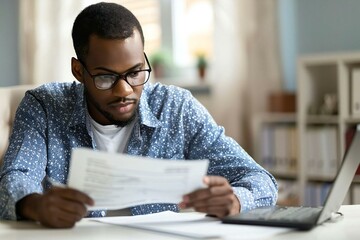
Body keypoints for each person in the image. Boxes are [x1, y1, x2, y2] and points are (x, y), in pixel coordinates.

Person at [0, 2, 277, 228]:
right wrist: (34, 204)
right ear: (78, 71)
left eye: (134, 73)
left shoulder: (176, 108)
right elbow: (14, 180)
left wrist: (236, 200)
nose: (125, 91)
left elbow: (260, 180)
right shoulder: (45, 106)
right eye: (106, 78)